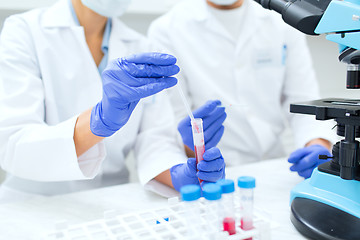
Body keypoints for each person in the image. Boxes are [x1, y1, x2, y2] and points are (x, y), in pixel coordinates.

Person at [0, 0, 225, 201]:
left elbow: (154, 139)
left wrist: (179, 174)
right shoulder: (24, 31)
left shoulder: (141, 46)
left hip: (110, 202)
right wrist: (97, 122)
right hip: (32, 204)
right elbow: (12, 143)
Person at [148, 0, 338, 178]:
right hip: (213, 173)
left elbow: (303, 100)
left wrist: (317, 143)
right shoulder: (167, 30)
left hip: (275, 166)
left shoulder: (282, 22)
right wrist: (192, 145)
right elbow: (173, 122)